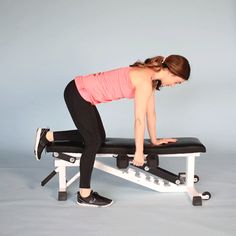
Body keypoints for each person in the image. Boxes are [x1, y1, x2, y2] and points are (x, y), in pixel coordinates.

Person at [34, 54, 191, 207]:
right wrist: (139, 151)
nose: (174, 85)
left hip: (83, 94)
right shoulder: (144, 80)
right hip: (78, 92)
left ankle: (47, 136)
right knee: (93, 141)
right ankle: (84, 195)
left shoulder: (151, 79)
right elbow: (139, 120)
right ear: (171, 72)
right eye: (177, 82)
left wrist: (155, 140)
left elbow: (151, 113)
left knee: (99, 138)